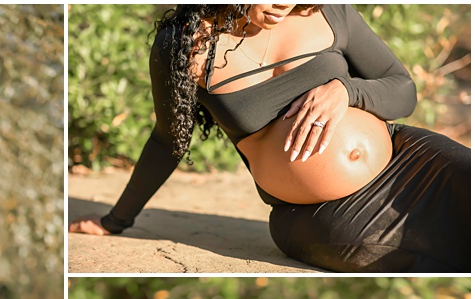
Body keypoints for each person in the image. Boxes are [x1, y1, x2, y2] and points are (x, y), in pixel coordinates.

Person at [69, 5, 470, 272]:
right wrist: (115, 220)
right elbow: (168, 140)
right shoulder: (183, 43)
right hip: (322, 213)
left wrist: (347, 91)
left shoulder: (328, 11)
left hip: (410, 160)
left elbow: (403, 89)